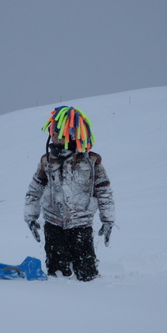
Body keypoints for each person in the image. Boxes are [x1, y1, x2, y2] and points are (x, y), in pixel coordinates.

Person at [24, 106, 115, 281]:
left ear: (72, 134)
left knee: (86, 272)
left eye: (59, 133)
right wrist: (31, 216)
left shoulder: (92, 162)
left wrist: (108, 219)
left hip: (81, 224)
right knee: (57, 271)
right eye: (52, 132)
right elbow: (35, 189)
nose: (54, 136)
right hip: (53, 223)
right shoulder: (47, 161)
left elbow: (104, 191)